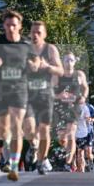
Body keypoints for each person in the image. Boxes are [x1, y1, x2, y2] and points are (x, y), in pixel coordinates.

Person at [0, 10, 40, 182]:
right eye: (7, 25)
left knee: (16, 128)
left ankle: (13, 166)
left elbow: (37, 62)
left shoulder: (26, 45)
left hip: (19, 92)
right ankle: (11, 158)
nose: (11, 28)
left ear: (20, 26)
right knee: (3, 131)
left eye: (14, 25)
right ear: (4, 26)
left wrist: (33, 65)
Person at [22, 21, 64, 174]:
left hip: (45, 94)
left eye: (39, 32)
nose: (35, 35)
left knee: (44, 129)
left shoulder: (50, 49)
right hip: (28, 94)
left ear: (44, 34)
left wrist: (47, 67)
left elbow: (60, 71)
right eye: (33, 32)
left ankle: (42, 159)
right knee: (28, 127)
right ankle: (33, 146)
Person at [53, 53, 89, 171]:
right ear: (62, 62)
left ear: (75, 62)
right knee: (62, 138)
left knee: (71, 134)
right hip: (60, 108)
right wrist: (59, 95)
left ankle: (68, 163)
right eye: (66, 60)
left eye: (71, 60)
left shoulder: (79, 74)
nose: (69, 62)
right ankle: (70, 154)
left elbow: (85, 87)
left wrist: (83, 96)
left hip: (75, 107)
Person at [75, 100, 94, 172]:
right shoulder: (74, 107)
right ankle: (82, 172)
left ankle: (91, 164)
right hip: (79, 132)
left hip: (89, 132)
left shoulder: (89, 106)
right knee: (80, 152)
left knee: (88, 153)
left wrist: (92, 119)